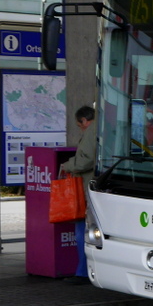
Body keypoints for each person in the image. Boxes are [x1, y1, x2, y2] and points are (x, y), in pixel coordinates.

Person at [59, 105, 95, 285]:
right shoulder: (105, 128)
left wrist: (68, 165)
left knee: (83, 229)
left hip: (88, 187)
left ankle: (82, 272)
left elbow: (86, 160)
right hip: (97, 186)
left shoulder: (91, 131)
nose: (81, 127)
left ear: (85, 121)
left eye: (79, 125)